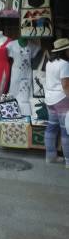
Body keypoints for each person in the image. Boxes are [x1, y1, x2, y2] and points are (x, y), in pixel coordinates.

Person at [44, 38, 69, 167]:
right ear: (65, 50)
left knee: (52, 128)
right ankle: (68, 161)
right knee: (66, 131)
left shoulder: (50, 62)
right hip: (62, 99)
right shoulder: (64, 64)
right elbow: (65, 85)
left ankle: (50, 156)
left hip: (50, 99)